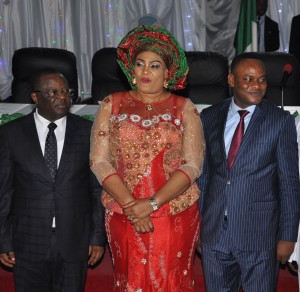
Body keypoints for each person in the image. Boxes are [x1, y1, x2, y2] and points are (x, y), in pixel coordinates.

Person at [90, 25, 205, 291]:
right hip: (123, 211)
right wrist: (133, 206)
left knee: (170, 281)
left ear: (168, 73)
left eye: (154, 66)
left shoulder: (184, 108)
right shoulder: (112, 103)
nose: (144, 71)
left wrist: (151, 204)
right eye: (140, 64)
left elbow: (192, 164)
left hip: (173, 211)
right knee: (130, 279)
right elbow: (99, 161)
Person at [198, 53, 300, 291]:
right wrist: (199, 227)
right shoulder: (209, 116)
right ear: (232, 80)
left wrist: (287, 236)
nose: (257, 85)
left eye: (262, 80)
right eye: (249, 79)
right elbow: (204, 177)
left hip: (259, 233)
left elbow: (289, 183)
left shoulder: (280, 121)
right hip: (214, 233)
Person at [0, 70, 106, 292]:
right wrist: (4, 240)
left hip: (74, 241)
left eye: (66, 92)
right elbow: (4, 191)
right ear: (35, 97)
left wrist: (97, 237)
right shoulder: (11, 133)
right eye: (53, 92)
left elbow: (97, 190)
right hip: (27, 241)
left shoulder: (88, 132)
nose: (62, 98)